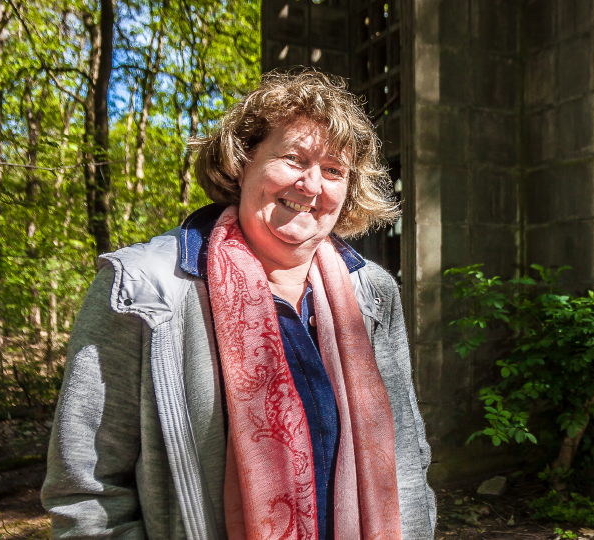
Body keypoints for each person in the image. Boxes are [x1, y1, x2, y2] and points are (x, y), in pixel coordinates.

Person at [41, 71, 436, 539]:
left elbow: (406, 457)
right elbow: (87, 494)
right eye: (294, 159)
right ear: (242, 162)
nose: (312, 186)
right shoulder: (143, 290)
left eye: (333, 170)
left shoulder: (371, 294)